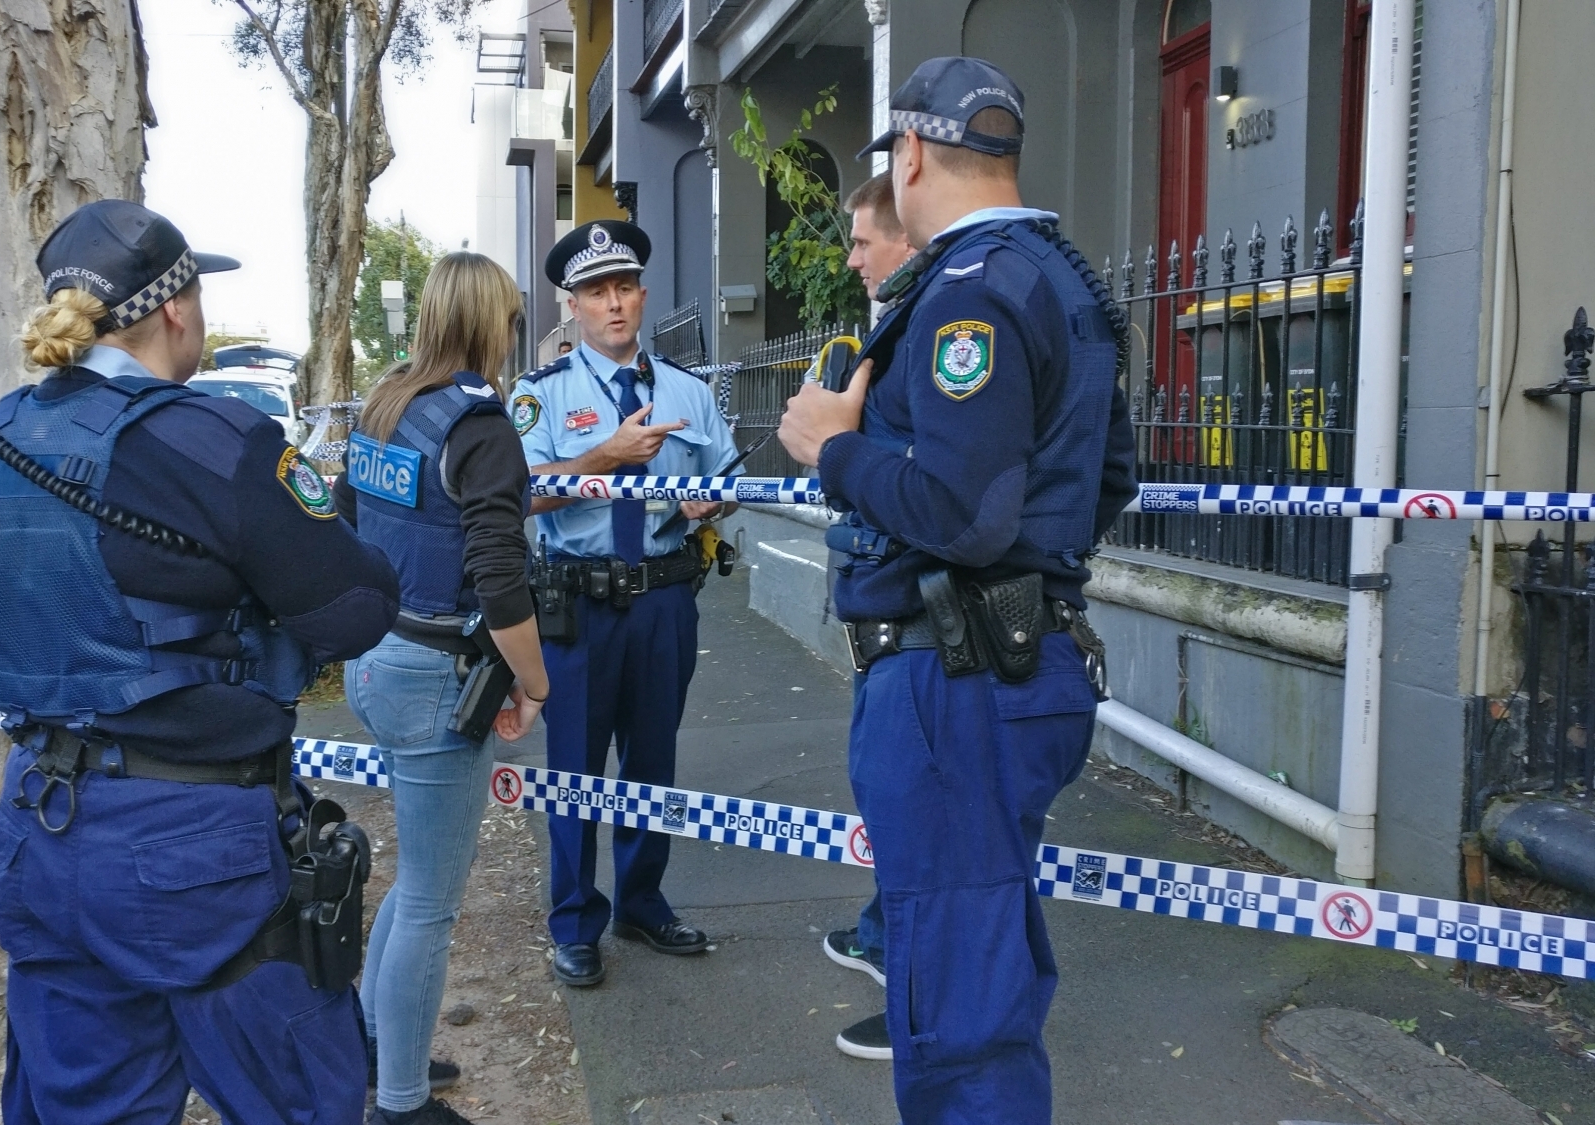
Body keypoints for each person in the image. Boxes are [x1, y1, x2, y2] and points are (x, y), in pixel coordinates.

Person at [0, 200, 401, 1125]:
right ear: (178, 308)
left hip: (41, 830)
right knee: (300, 1099)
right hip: (196, 852)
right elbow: (357, 608)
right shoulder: (219, 441)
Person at [777, 59, 1135, 1124]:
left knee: (958, 1013)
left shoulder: (970, 289)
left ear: (913, 154)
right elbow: (1107, 478)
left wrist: (832, 452)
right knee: (980, 977)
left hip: (954, 684)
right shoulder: (1056, 276)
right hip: (1011, 668)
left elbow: (963, 513)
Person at [329, 252, 548, 1125]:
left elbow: (349, 520)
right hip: (435, 673)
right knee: (429, 897)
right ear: (491, 322)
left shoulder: (387, 403)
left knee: (410, 881)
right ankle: (402, 1104)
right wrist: (534, 683)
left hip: (376, 658)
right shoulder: (479, 423)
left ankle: (380, 1048)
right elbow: (499, 577)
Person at [517, 220, 740, 988]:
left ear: (641, 295)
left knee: (652, 763)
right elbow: (519, 495)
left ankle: (641, 901)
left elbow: (727, 475)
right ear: (571, 306)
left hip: (662, 601)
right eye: (594, 292)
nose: (612, 305)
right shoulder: (538, 395)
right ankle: (574, 920)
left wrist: (711, 503)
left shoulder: (687, 390)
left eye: (622, 288)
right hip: (578, 607)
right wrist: (601, 458)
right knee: (575, 765)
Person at [821, 168, 918, 1065]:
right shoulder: (888, 333)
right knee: (892, 813)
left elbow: (922, 497)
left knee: (928, 845)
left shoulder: (931, 334)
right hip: (890, 631)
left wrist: (831, 445)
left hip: (927, 638)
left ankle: (915, 1005)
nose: (850, 258)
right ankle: (888, 945)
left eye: (861, 239)